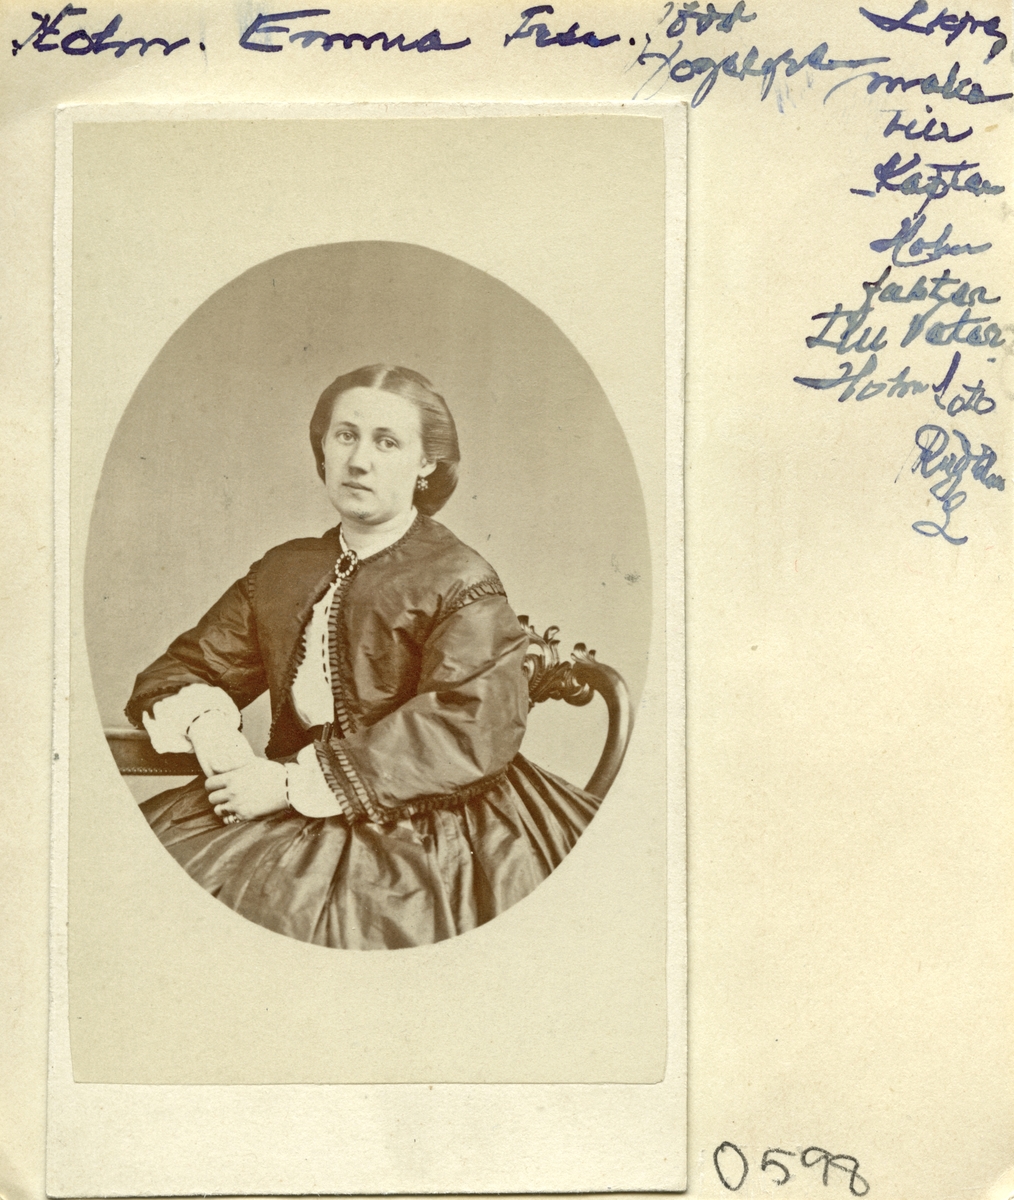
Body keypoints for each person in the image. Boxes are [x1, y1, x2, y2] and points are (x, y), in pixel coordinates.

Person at [127, 364, 603, 950]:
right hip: (276, 792)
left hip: (430, 816)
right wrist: (215, 737)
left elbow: (468, 721)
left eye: (387, 442)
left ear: (426, 463)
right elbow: (189, 667)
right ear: (323, 447)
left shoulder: (460, 577)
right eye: (345, 435)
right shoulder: (284, 570)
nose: (358, 461)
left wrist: (294, 783)